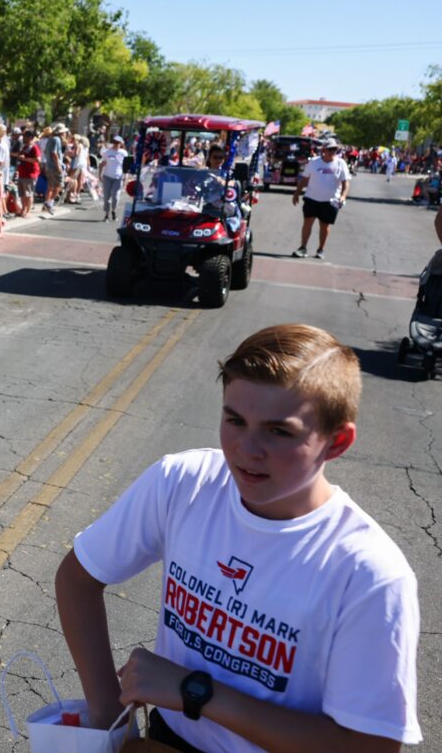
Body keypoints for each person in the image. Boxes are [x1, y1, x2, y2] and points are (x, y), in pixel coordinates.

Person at [55, 324, 420, 753]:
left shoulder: (367, 573)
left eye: (279, 431)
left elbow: (371, 746)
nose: (247, 449)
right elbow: (79, 578)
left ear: (336, 442)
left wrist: (197, 692)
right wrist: (109, 720)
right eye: (234, 420)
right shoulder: (183, 483)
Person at [292, 137, 349, 260]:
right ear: (323, 150)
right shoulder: (314, 162)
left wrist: (343, 196)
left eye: (334, 149)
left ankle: (321, 249)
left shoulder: (341, 163)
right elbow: (305, 179)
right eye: (330, 149)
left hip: (330, 200)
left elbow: (345, 183)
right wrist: (297, 193)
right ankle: (303, 247)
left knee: (324, 226)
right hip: (312, 198)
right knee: (307, 222)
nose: (332, 152)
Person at [100, 134, 127, 221]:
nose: (116, 144)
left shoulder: (123, 153)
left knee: (116, 197)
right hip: (107, 176)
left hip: (118, 177)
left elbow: (126, 166)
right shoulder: (107, 152)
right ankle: (106, 214)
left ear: (121, 143)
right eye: (115, 142)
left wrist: (125, 176)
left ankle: (114, 211)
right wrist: (99, 174)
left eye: (118, 143)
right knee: (106, 197)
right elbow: (102, 164)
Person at [16, 129, 41, 216]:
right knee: (22, 194)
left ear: (30, 138)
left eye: (25, 137)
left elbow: (38, 160)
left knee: (28, 194)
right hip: (22, 173)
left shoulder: (34, 147)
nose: (23, 138)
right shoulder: (25, 147)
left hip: (30, 174)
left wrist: (25, 159)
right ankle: (23, 209)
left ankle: (28, 211)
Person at [43, 123, 67, 213]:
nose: (65, 134)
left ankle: (47, 204)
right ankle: (49, 204)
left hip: (49, 166)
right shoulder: (56, 139)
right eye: (64, 132)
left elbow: (46, 152)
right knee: (59, 186)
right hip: (54, 167)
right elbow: (54, 153)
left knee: (50, 186)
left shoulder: (51, 139)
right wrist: (58, 166)